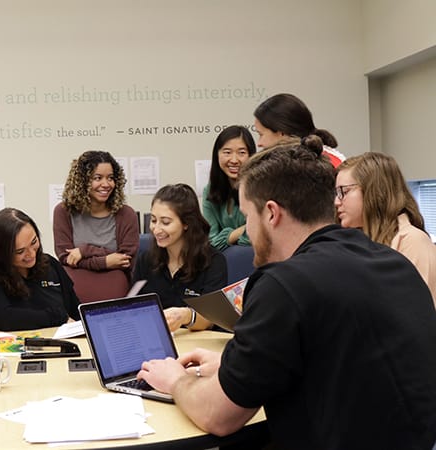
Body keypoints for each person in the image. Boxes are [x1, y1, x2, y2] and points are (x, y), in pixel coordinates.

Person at [137, 138, 436, 450]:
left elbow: (218, 416)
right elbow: (338, 358)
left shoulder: (283, 284)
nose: (247, 233)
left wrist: (175, 380)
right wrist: (233, 363)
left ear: (271, 213)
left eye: (247, 217)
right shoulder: (393, 263)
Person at [336, 152, 436, 303]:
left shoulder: (412, 242)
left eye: (344, 192)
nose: (337, 202)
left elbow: (416, 313)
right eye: (337, 193)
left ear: (374, 191)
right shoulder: (355, 241)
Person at [133, 184, 227, 332]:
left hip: (198, 344)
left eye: (165, 222)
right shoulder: (146, 260)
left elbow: (210, 320)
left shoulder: (212, 261)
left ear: (186, 223)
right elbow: (135, 308)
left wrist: (185, 315)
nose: (156, 229)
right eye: (153, 220)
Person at [0, 208, 80, 331]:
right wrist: (57, 317)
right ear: (1, 253)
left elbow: (76, 310)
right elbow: (4, 319)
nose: (31, 254)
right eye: (20, 251)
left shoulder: (50, 264)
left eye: (34, 242)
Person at [53, 150, 139, 302]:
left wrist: (84, 251)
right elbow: (66, 258)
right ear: (82, 181)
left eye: (111, 178)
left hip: (115, 294)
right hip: (75, 297)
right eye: (97, 178)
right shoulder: (63, 211)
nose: (106, 184)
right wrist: (106, 261)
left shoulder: (126, 214)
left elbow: (124, 261)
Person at [253, 92, 346, 167]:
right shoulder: (328, 157)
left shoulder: (305, 167)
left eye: (261, 134)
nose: (259, 143)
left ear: (282, 133)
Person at [202, 125, 257, 251]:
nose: (234, 160)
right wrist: (241, 230)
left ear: (251, 155)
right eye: (227, 152)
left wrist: (227, 236)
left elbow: (257, 235)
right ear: (217, 155)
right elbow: (211, 242)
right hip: (225, 263)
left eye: (242, 153)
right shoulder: (210, 190)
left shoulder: (261, 188)